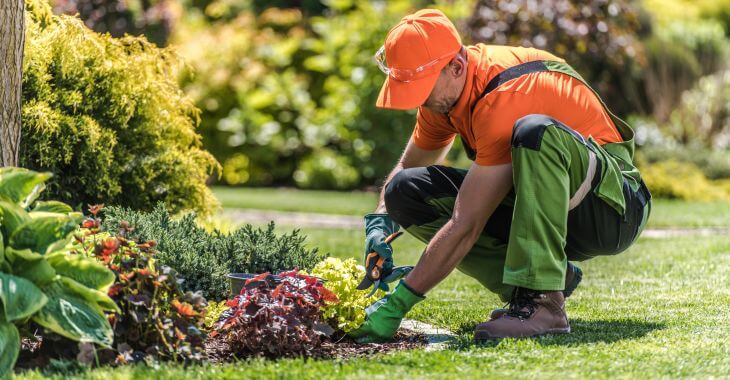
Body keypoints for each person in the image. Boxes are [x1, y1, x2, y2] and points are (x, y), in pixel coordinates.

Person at [349, 8, 652, 343]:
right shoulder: (446, 97)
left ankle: (543, 302)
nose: (416, 103)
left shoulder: (505, 95)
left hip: (613, 209)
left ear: (456, 67)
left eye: (421, 90)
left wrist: (399, 302)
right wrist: (380, 220)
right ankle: (541, 283)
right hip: (558, 204)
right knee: (403, 190)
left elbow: (466, 223)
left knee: (535, 131)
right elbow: (406, 168)